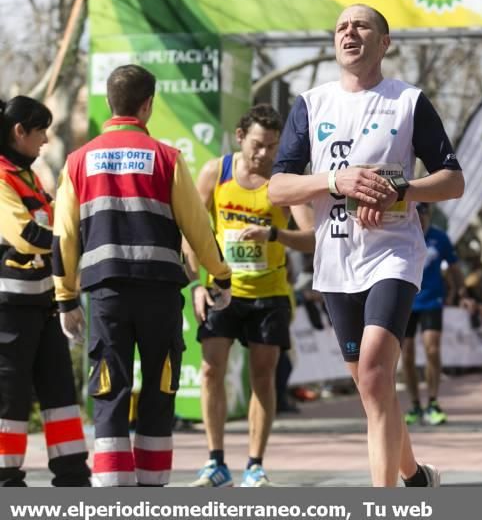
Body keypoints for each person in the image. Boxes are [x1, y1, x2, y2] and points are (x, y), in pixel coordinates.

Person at [268, 4, 464, 487]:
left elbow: (452, 180)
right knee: (371, 387)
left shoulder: (408, 101)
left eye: (361, 26)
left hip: (393, 252)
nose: (349, 32)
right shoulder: (310, 104)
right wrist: (338, 179)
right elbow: (278, 189)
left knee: (376, 371)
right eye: (341, 27)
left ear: (384, 42)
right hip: (335, 259)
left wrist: (401, 190)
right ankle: (416, 475)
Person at [52, 65, 233, 487]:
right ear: (147, 104)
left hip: (106, 292)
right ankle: (152, 488)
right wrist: (220, 276)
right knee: (160, 384)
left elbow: (63, 237)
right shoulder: (167, 158)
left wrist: (65, 298)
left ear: (111, 102)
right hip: (160, 292)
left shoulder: (78, 161)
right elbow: (198, 228)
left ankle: (113, 492)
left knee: (110, 384)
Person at [185, 104, 314, 488]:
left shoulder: (284, 180)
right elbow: (191, 229)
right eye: (258, 145)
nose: (265, 155)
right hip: (222, 290)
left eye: (273, 147)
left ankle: (255, 465)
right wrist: (197, 284)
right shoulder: (216, 171)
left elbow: (311, 239)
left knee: (263, 377)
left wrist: (274, 235)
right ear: (240, 137)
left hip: (269, 294)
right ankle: (215, 462)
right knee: (210, 371)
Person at [0, 97, 91, 487]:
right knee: (10, 399)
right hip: (10, 309)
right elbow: (26, 236)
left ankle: (72, 476)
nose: (46, 140)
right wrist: (77, 238)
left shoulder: (28, 176)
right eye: (41, 131)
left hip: (44, 304)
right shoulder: (2, 178)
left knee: (60, 395)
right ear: (19, 131)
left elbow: (53, 223)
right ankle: (6, 479)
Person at [402, 203, 463, 427]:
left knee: (432, 348)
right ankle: (415, 404)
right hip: (406, 301)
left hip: (431, 300)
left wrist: (460, 292)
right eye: (416, 213)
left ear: (429, 214)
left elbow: (454, 267)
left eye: (424, 213)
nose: (421, 218)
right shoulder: (401, 233)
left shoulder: (440, 238)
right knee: (406, 354)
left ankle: (433, 402)